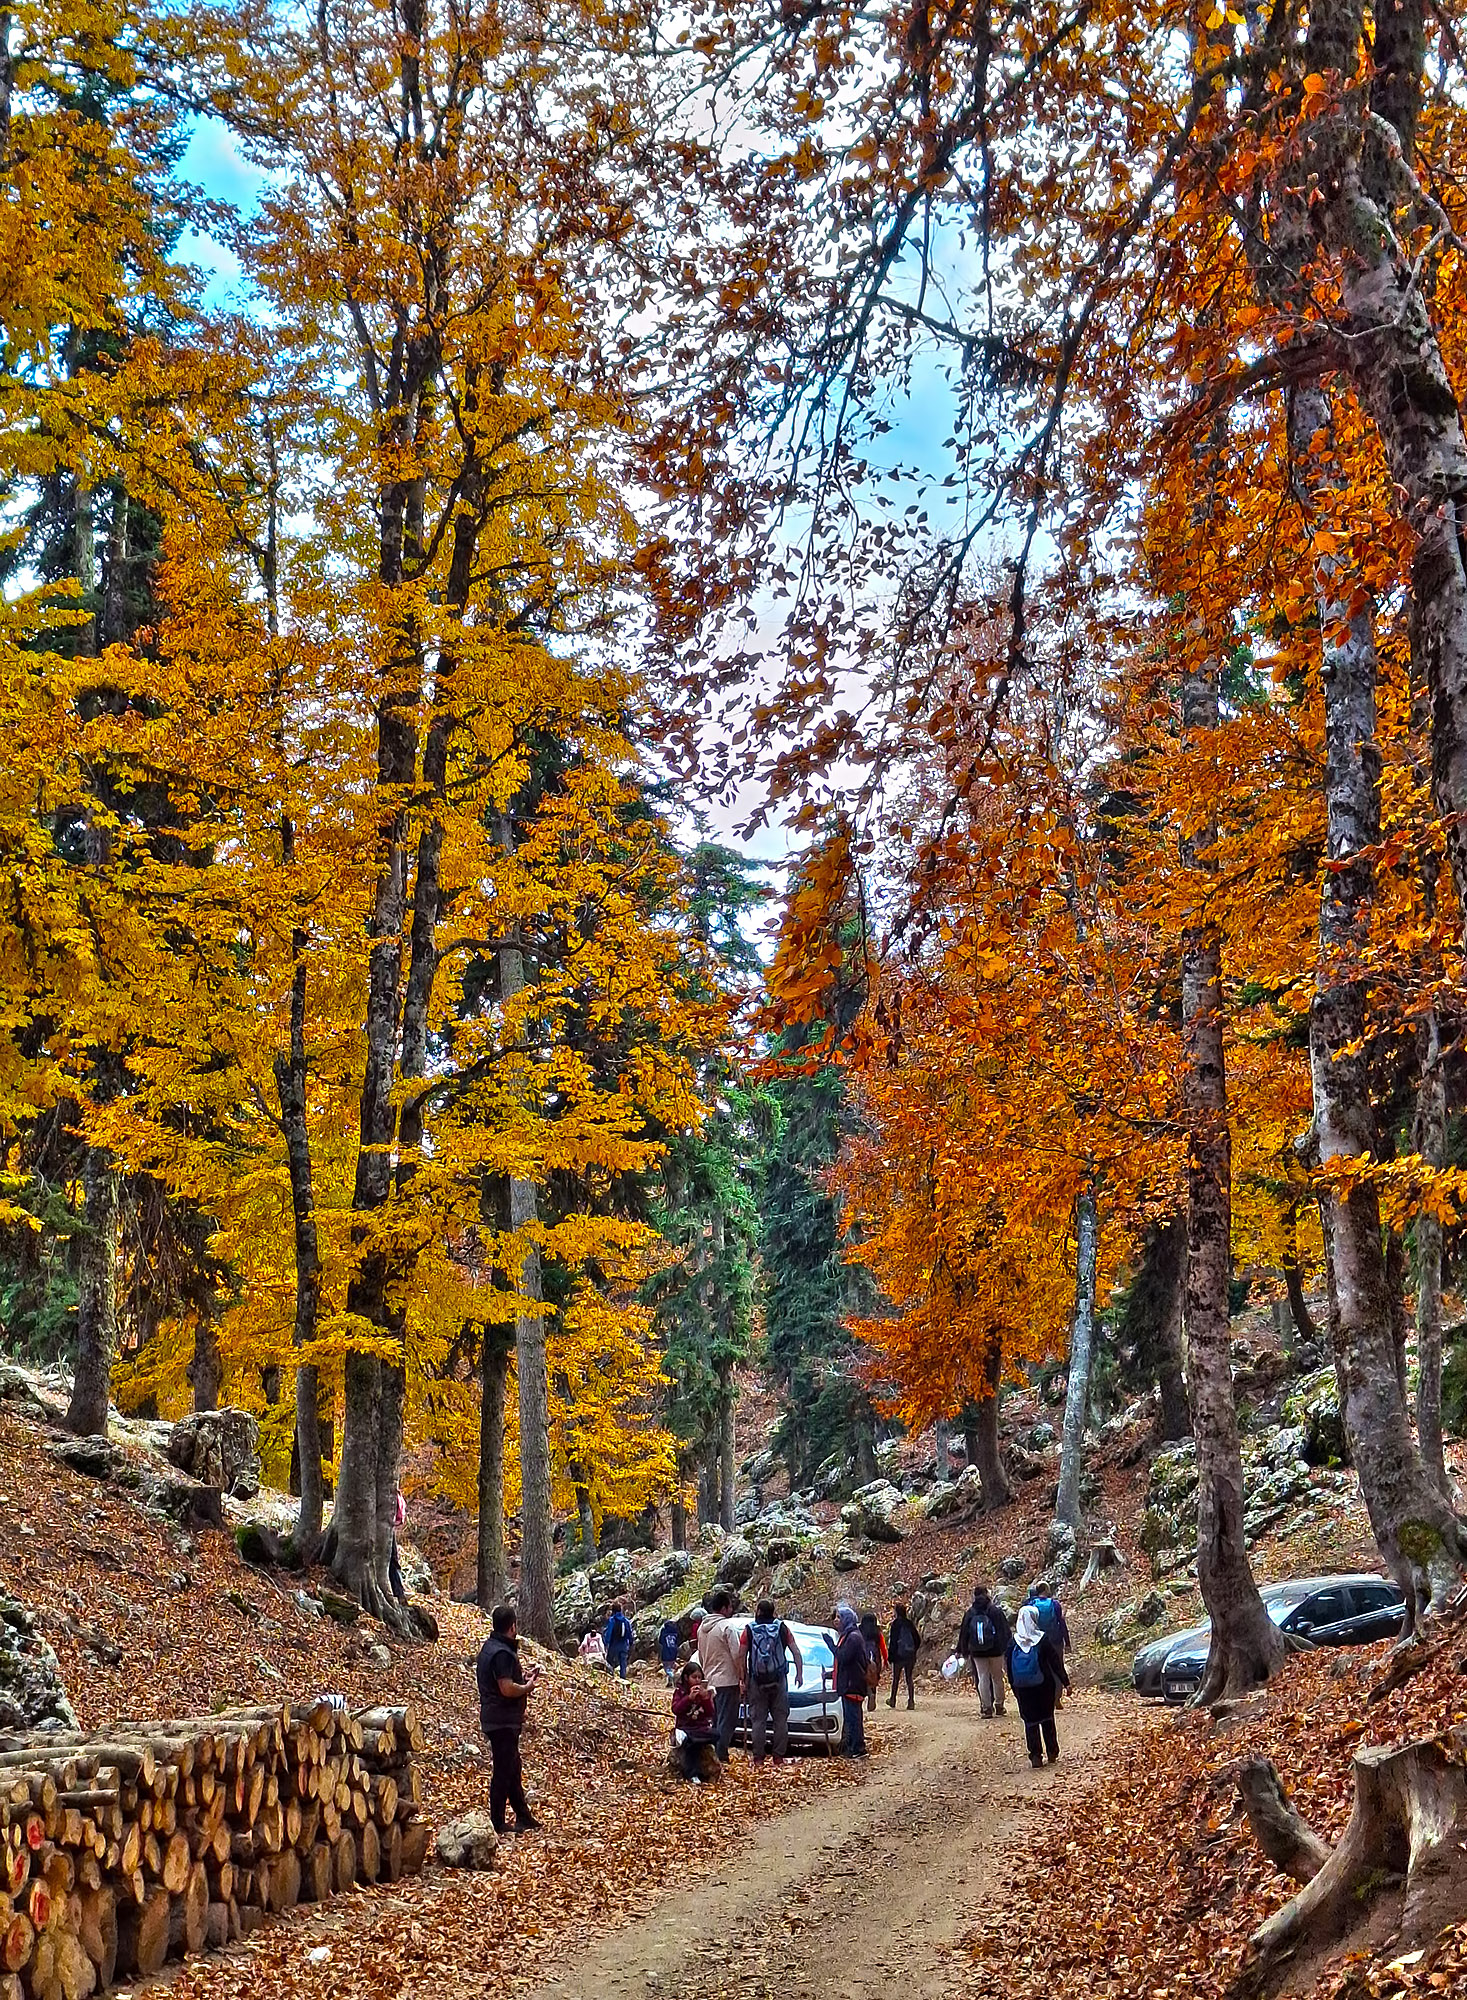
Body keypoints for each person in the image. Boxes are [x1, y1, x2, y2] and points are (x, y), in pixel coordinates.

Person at [475, 1604, 542, 1834]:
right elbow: (505, 1688)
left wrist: (520, 1677)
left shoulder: (491, 1648)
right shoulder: (502, 1653)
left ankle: (523, 1816)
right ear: (513, 1626)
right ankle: (497, 1821)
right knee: (504, 1770)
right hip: (502, 1720)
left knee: (513, 1767)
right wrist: (526, 1687)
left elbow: (502, 1680)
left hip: (498, 1717)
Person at [739, 1598, 804, 1765]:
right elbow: (795, 1651)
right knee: (780, 1719)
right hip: (779, 1680)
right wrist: (799, 1673)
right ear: (773, 1612)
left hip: (756, 1680)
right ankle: (778, 1756)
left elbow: (741, 1655)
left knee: (758, 1720)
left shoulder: (749, 1630)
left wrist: (742, 1678)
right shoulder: (782, 1628)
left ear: (758, 1611)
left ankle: (758, 1758)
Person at [1006, 1602, 1070, 1768]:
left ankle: (1035, 1755)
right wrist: (1065, 1682)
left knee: (1030, 1722)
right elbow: (1055, 1663)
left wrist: (1015, 1688)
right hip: (1044, 1686)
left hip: (1023, 1688)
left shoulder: (1013, 1643)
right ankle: (1052, 1751)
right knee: (1047, 1718)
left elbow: (1009, 1669)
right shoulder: (1041, 1639)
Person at [697, 1588, 743, 1761]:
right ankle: (720, 1754)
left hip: (710, 1680)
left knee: (715, 1720)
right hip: (728, 1680)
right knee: (727, 1720)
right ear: (724, 1609)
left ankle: (712, 1753)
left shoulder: (702, 1629)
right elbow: (737, 1655)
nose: (731, 1610)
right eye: (730, 1607)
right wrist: (741, 1677)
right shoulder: (727, 1627)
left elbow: (700, 1655)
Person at [958, 1584, 1011, 1718]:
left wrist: (963, 1650)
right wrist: (1005, 1647)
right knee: (997, 1677)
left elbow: (964, 1632)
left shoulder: (970, 1612)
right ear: (987, 1594)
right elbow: (1004, 1630)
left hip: (977, 1651)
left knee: (982, 1677)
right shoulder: (994, 1611)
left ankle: (986, 1708)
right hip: (995, 1650)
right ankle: (999, 1706)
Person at [832, 1605, 870, 1758]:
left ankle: (858, 1748)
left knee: (854, 1717)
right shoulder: (848, 1635)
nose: (836, 1620)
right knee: (850, 1717)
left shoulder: (853, 1637)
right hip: (849, 1682)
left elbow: (844, 1657)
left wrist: (831, 1647)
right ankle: (851, 1748)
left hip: (853, 1684)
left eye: (839, 1617)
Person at [671, 1661, 719, 1779]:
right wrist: (688, 1698)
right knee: (693, 1747)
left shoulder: (705, 1693)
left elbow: (710, 1713)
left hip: (699, 1729)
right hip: (685, 1726)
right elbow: (676, 1709)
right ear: (686, 1677)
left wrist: (706, 1698)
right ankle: (692, 1774)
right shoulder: (680, 1691)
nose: (697, 1680)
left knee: (716, 1734)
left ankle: (687, 1738)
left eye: (699, 1678)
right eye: (694, 1677)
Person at [886, 1600, 920, 1709]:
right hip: (910, 1655)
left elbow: (893, 1642)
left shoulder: (895, 1624)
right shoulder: (909, 1623)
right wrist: (913, 1650)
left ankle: (893, 1699)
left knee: (896, 1678)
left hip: (898, 1656)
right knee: (909, 1678)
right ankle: (911, 1701)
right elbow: (917, 1639)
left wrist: (890, 1656)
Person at [1027, 1580, 1072, 1654]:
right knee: (1058, 1663)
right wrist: (1067, 1643)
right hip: (1055, 1640)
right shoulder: (1054, 1604)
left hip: (1039, 1641)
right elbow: (1062, 1623)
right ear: (1046, 1589)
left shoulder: (1032, 1604)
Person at [858, 1610, 886, 1713]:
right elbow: (882, 1646)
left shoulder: (859, 1630)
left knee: (862, 1676)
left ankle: (863, 1696)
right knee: (873, 1677)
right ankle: (872, 1693)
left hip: (862, 1656)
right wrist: (886, 1660)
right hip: (875, 1656)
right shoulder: (876, 1631)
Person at [603, 1599, 634, 1679]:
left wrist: (606, 1642)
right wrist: (631, 1643)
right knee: (623, 1663)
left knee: (610, 1662)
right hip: (624, 1645)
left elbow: (609, 1632)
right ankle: (622, 1679)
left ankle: (610, 1679)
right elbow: (629, 1633)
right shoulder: (626, 1621)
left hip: (614, 1645)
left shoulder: (612, 1620)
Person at [658, 1616, 681, 1687]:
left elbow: (660, 1641)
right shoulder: (675, 1632)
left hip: (665, 1652)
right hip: (674, 1652)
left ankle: (672, 1676)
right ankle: (670, 1681)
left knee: (666, 1668)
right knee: (671, 1665)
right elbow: (678, 1641)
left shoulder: (664, 1632)